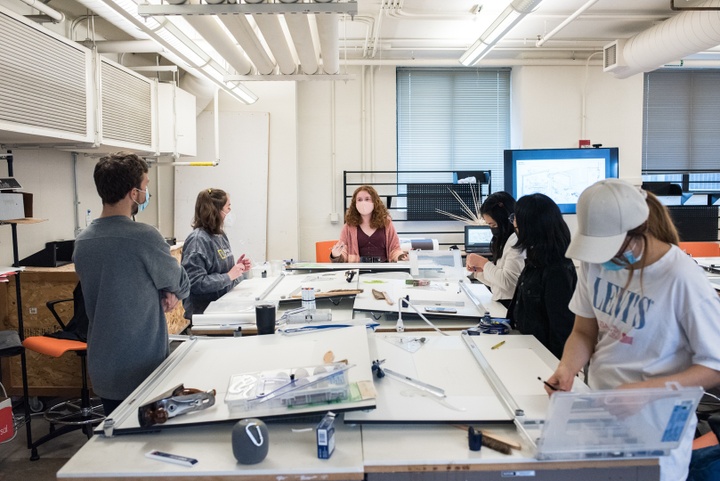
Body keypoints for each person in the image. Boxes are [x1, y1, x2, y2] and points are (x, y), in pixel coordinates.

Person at [546, 178, 720, 481]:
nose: (607, 261)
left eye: (614, 250)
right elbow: (584, 331)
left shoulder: (681, 278)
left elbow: (714, 366)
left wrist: (644, 393)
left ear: (640, 231)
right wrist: (567, 368)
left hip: (657, 426)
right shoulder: (595, 261)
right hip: (602, 413)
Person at [73, 152, 191, 416]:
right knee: (148, 444)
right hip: (143, 365)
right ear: (133, 193)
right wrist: (169, 290)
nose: (146, 193)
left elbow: (120, 283)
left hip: (104, 365)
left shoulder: (83, 241)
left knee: (118, 442)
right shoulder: (144, 237)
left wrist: (161, 289)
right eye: (146, 186)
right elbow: (181, 283)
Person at [507, 193, 577, 359]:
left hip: (543, 358)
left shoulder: (557, 269)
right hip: (526, 348)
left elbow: (561, 328)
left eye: (516, 219)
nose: (514, 223)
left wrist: (557, 370)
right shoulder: (534, 258)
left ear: (530, 226)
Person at [181, 188, 252, 321]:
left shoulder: (220, 236)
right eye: (228, 207)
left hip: (223, 308)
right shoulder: (198, 240)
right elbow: (195, 283)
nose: (230, 212)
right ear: (216, 210)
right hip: (205, 316)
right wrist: (229, 276)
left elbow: (225, 275)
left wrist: (239, 270)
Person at [465, 192, 525, 308]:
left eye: (494, 225)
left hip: (510, 306)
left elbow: (509, 283)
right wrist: (480, 271)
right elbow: (498, 284)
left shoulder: (515, 241)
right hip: (502, 303)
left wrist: (484, 263)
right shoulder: (504, 240)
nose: (492, 229)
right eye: (489, 225)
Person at [330, 185, 408, 263]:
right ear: (355, 204)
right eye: (359, 200)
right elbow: (343, 251)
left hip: (384, 270)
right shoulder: (348, 226)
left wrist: (401, 257)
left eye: (367, 199)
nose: (363, 202)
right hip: (358, 270)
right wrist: (336, 255)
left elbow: (394, 249)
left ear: (374, 202)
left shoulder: (386, 224)